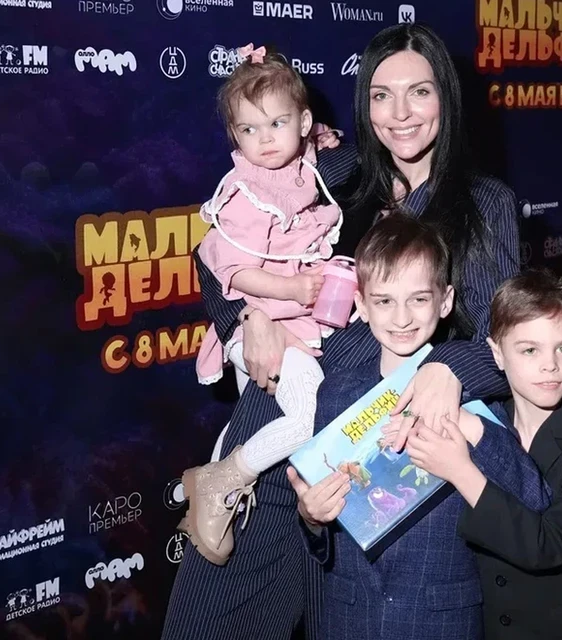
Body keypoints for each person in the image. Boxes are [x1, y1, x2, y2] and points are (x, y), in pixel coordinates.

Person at [162, 23, 521, 640]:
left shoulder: (482, 203)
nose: (400, 114)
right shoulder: (342, 175)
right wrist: (248, 318)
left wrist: (446, 367)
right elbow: (214, 251)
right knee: (206, 619)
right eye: (381, 95)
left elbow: (504, 340)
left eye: (420, 92)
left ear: (448, 97)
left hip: (356, 466)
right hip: (272, 429)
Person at [287, 212, 549, 640]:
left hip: (441, 620)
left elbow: (532, 497)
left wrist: (463, 419)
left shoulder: (469, 391)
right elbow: (325, 541)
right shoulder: (335, 393)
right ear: (361, 305)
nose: (402, 317)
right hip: (348, 619)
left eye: (419, 299)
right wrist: (311, 518)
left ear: (445, 301)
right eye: (385, 301)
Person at [179, 43, 349, 566]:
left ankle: (213, 502)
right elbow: (232, 270)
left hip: (298, 319)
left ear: (303, 123)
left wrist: (320, 138)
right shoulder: (243, 192)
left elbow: (313, 145)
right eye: (249, 129)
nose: (266, 139)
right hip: (255, 321)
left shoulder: (305, 168)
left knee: (252, 416)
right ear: (235, 136)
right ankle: (220, 482)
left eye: (277, 124)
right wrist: (292, 290)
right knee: (308, 411)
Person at [405, 269, 562, 639]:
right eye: (529, 350)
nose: (550, 364)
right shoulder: (487, 416)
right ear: (497, 354)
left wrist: (462, 471)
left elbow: (548, 545)